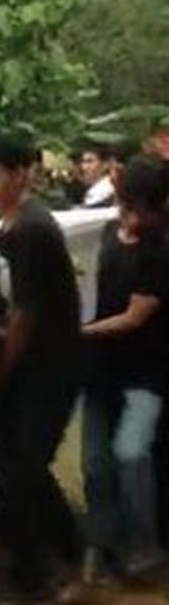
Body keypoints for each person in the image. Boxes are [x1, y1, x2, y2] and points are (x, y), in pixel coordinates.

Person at [0, 133, 85, 605]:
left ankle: (65, 560)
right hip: (20, 370)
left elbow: (26, 314)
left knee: (24, 470)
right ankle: (33, 571)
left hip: (46, 368)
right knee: (11, 468)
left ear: (22, 175)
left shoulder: (33, 230)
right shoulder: (5, 229)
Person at [80, 155, 169, 579]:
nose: (132, 218)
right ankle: (104, 542)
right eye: (127, 206)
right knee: (96, 464)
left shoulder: (160, 251)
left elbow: (134, 317)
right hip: (101, 369)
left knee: (131, 453)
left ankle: (143, 544)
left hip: (146, 371)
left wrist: (77, 332)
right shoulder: (104, 233)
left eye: (141, 209)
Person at [77, 142, 116, 208]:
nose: (84, 167)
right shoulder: (96, 189)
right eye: (83, 162)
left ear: (105, 165)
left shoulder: (106, 191)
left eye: (90, 161)